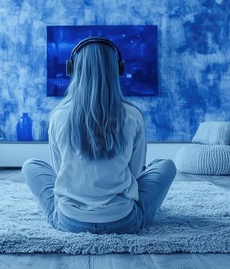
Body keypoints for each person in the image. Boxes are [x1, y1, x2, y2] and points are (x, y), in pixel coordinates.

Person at [22, 37, 176, 234]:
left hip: (70, 221)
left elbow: (59, 169)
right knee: (166, 165)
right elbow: (135, 173)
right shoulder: (133, 115)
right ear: (118, 69)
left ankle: (59, 214)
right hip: (122, 222)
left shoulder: (58, 115)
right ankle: (132, 214)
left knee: (30, 165)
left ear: (73, 69)